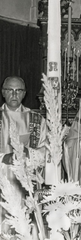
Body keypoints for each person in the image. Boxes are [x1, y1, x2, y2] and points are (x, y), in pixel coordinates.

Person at [0, 76, 47, 232]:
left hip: (25, 182)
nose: (14, 95)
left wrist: (29, 152)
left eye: (18, 90)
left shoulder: (36, 119)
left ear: (25, 93)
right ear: (3, 92)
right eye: (10, 90)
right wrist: (4, 158)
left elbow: (46, 152)